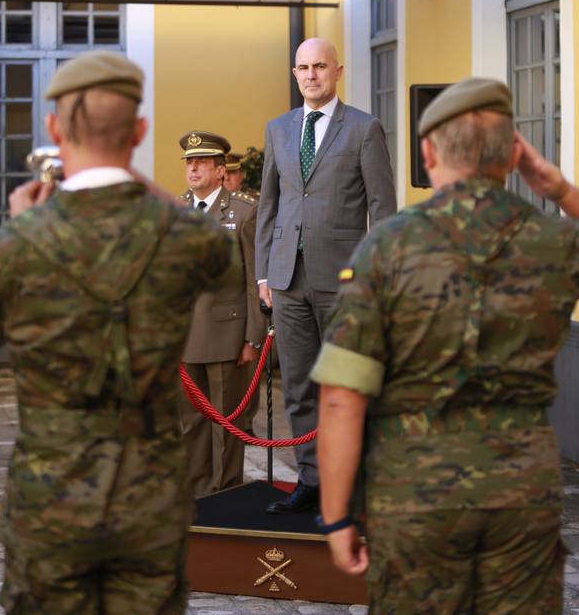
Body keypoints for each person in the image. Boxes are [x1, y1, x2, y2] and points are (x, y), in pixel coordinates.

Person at [0, 51, 238, 615]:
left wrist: (25, 229)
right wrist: (130, 176)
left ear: (53, 130)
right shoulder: (184, 239)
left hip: (51, 504)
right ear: (139, 132)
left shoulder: (11, 248)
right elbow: (221, 253)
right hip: (148, 502)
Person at [312, 76, 578, 613]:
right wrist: (560, 192)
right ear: (513, 157)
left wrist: (337, 514)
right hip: (521, 490)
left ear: (428, 152)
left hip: (415, 492)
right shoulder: (552, 241)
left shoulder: (387, 245)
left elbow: (343, 396)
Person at [255, 37, 396, 513]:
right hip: (287, 280)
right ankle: (310, 481)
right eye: (302, 67)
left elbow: (382, 208)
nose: (310, 75)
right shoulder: (278, 129)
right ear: (294, 74)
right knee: (299, 387)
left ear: (337, 71)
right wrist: (263, 275)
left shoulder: (363, 129)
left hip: (344, 283)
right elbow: (269, 206)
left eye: (319, 66)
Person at [179, 131, 264, 496]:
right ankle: (197, 494)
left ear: (219, 170)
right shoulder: (177, 210)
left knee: (228, 421)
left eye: (201, 162)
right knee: (191, 422)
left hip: (228, 335)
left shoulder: (244, 211)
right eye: (189, 162)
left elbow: (254, 278)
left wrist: (253, 337)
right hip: (185, 337)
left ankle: (226, 491)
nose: (193, 168)